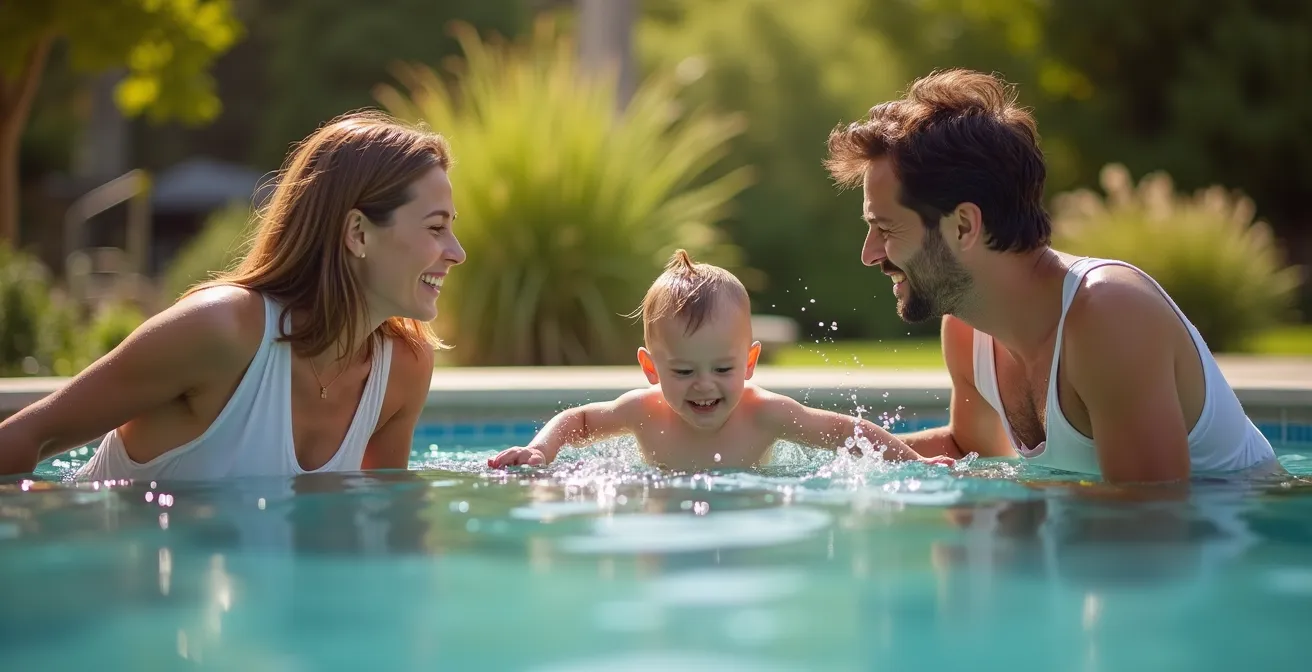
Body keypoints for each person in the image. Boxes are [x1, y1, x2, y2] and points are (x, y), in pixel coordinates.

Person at [823, 68, 1277, 484]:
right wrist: (808, 433)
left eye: (886, 229)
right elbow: (968, 452)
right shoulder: (965, 330)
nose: (869, 254)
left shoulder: (1110, 314)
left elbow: (1149, 519)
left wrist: (1008, 501)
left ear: (963, 226)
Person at [0, 110, 465, 479]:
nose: (456, 253)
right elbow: (23, 438)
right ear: (358, 233)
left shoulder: (403, 368)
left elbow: (383, 535)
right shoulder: (221, 331)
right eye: (435, 228)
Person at [488, 249, 954, 472]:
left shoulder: (766, 413)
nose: (704, 384)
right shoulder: (642, 411)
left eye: (723, 369)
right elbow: (580, 421)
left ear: (750, 363)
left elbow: (848, 433)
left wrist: (916, 463)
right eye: (683, 371)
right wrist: (540, 450)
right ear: (651, 370)